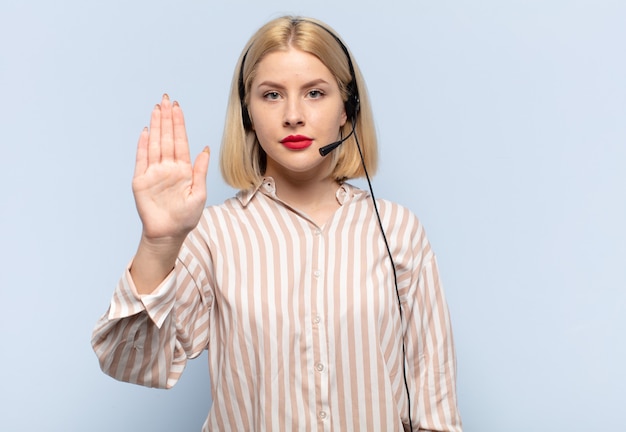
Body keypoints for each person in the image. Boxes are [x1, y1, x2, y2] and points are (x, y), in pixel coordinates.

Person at [92, 16, 462, 432]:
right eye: (271, 95)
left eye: (315, 93)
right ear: (248, 113)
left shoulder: (398, 230)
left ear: (347, 109)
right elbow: (131, 362)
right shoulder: (214, 235)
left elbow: (435, 408)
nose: (293, 116)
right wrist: (158, 244)